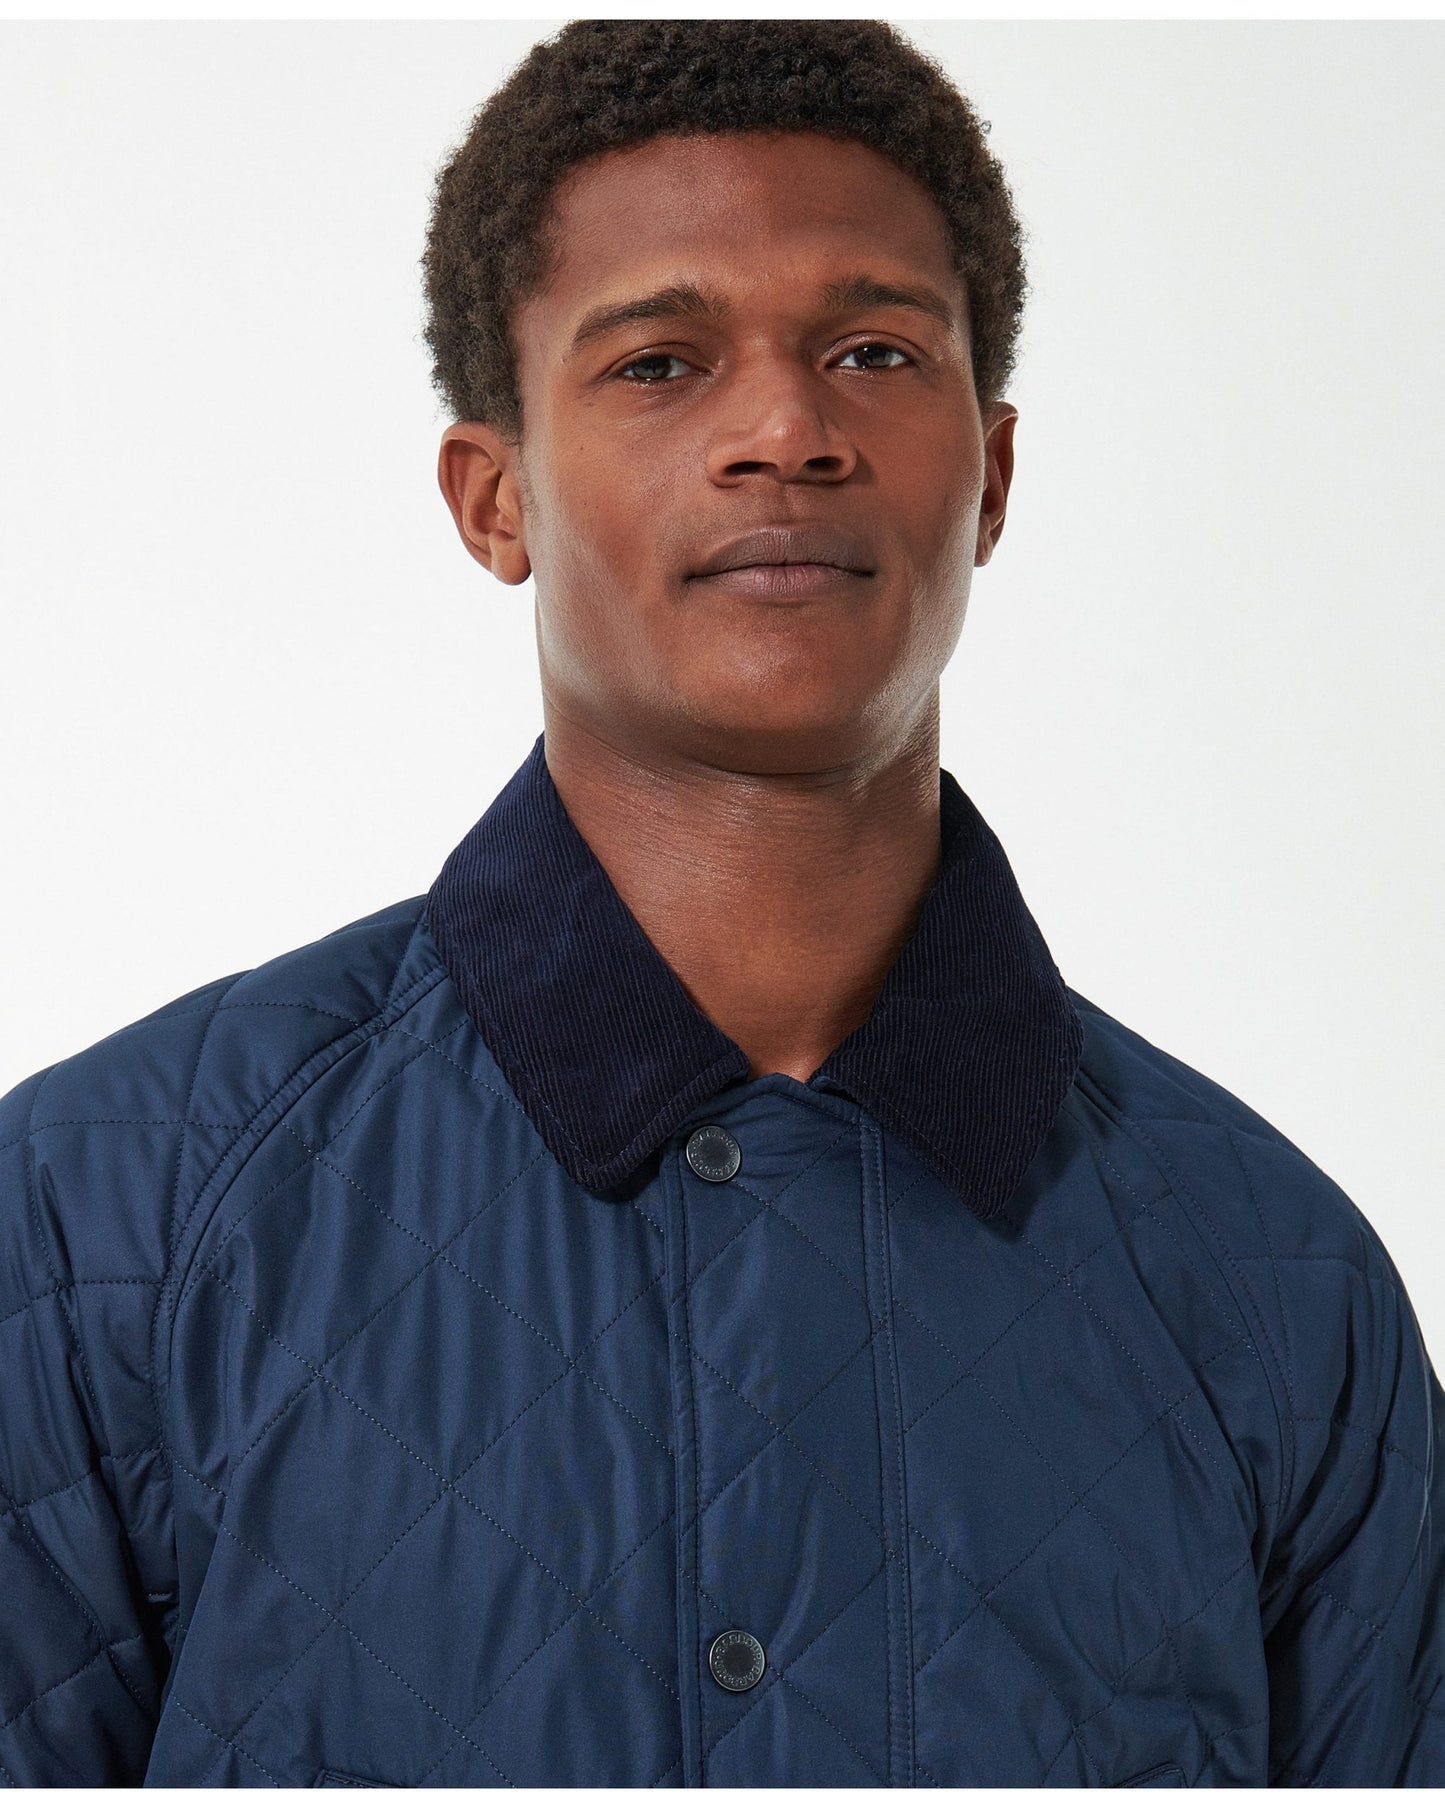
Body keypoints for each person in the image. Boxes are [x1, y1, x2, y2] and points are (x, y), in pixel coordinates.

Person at [0, 19, 1439, 1789]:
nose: (785, 431)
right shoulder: (98, 1219)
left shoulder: (1275, 1279)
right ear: (495, 497)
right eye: (660, 363)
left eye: (871, 352)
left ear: (989, 477)